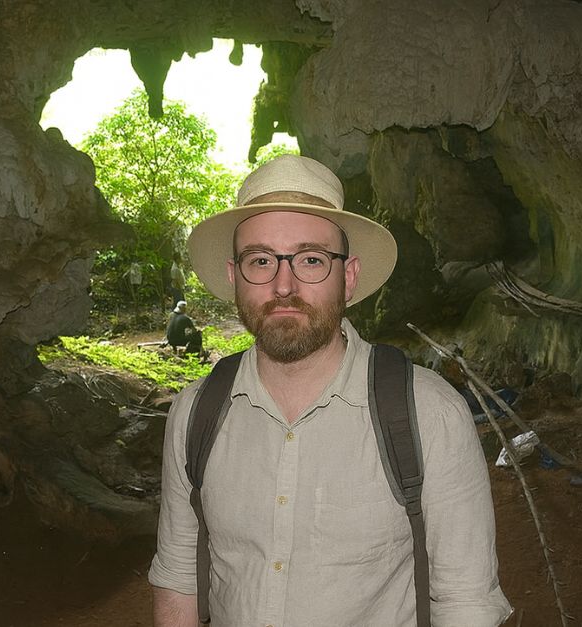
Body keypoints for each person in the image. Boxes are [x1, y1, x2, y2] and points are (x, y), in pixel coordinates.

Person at [148, 155, 512, 626]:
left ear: (350, 276)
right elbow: (179, 578)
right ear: (235, 277)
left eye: (311, 260)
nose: (284, 284)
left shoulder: (429, 413)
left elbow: (467, 604)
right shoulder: (195, 412)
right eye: (261, 260)